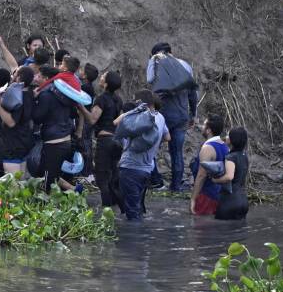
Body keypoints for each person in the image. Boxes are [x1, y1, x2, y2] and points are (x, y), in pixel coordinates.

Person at [146, 42, 199, 192]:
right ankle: (175, 187)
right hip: (181, 116)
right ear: (171, 51)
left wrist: (152, 60)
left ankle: (156, 181)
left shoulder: (157, 65)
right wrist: (193, 114)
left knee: (150, 146)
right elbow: (192, 93)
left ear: (156, 54)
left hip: (163, 116)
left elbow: (150, 80)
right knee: (177, 152)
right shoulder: (185, 66)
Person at [115, 90, 169, 221]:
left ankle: (135, 239)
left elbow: (116, 122)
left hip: (130, 168)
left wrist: (134, 111)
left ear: (141, 103)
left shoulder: (139, 118)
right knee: (138, 208)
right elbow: (168, 137)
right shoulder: (160, 118)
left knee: (132, 214)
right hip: (147, 170)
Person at [80, 69, 123, 208]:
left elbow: (92, 120)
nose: (101, 77)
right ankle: (118, 206)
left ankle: (107, 210)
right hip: (116, 140)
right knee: (112, 175)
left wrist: (80, 106)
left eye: (103, 76)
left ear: (106, 84)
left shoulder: (101, 99)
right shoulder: (118, 99)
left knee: (101, 178)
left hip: (104, 141)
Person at [32, 63, 77, 193]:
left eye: (38, 76)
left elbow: (37, 117)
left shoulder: (45, 94)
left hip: (54, 143)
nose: (36, 78)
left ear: (46, 78)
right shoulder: (64, 93)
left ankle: (47, 208)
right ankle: (74, 190)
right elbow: (73, 113)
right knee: (48, 174)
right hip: (65, 141)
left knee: (46, 181)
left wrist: (34, 100)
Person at [0, 65, 35, 175]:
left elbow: (11, 122)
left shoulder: (17, 97)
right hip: (24, 142)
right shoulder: (30, 93)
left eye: (14, 74)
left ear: (19, 78)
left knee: (12, 185)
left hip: (12, 145)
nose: (12, 76)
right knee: (22, 184)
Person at [189, 115, 229, 216]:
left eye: (204, 125)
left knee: (200, 227)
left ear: (209, 130)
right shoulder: (224, 146)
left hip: (206, 196)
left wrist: (193, 199)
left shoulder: (207, 148)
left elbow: (201, 175)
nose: (201, 127)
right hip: (220, 195)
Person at [214, 126, 250, 221]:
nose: (226, 137)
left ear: (233, 140)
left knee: (222, 231)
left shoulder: (231, 157)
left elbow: (229, 177)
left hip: (230, 201)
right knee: (239, 232)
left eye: (228, 135)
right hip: (243, 201)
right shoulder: (244, 156)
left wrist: (215, 180)